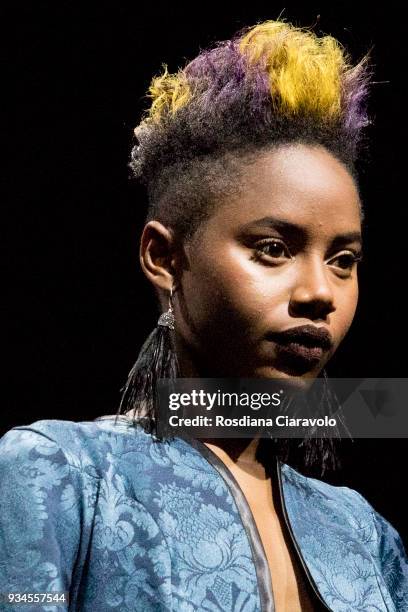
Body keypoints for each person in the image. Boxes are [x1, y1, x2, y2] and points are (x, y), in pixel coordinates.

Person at [0, 18, 407, 612]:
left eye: (344, 259)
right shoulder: (61, 477)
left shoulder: (364, 536)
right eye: (273, 249)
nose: (321, 292)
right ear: (164, 257)